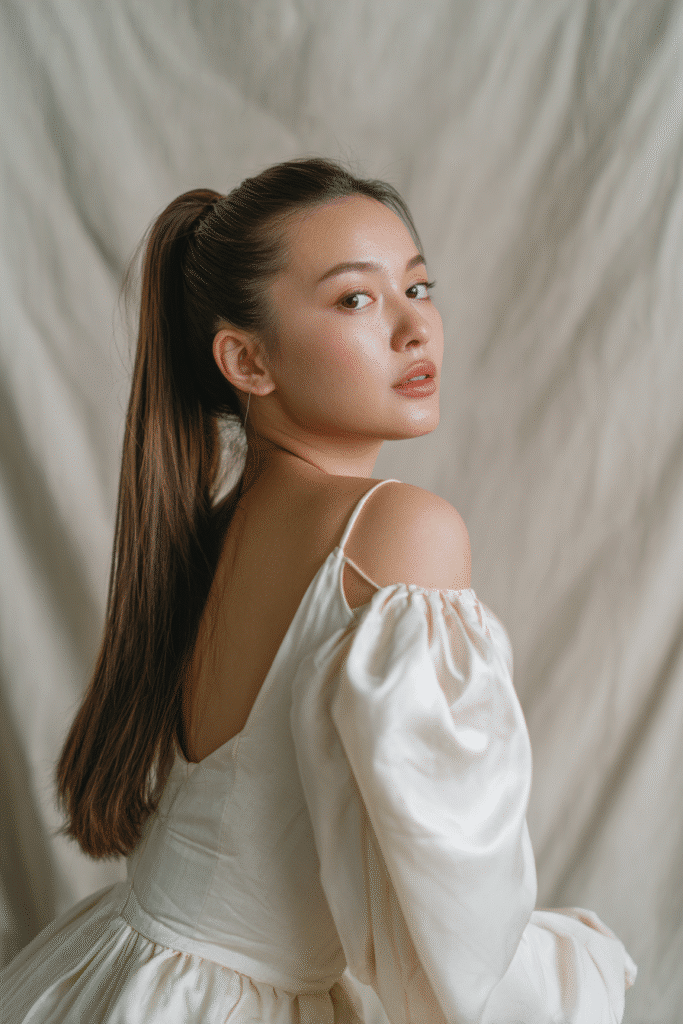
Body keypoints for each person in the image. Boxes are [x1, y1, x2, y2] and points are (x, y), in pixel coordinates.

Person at [1, 157, 636, 1023]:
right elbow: (453, 922)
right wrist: (585, 974)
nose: (416, 329)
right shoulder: (396, 530)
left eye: (419, 286)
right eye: (356, 300)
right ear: (247, 360)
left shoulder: (221, 526)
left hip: (124, 971)